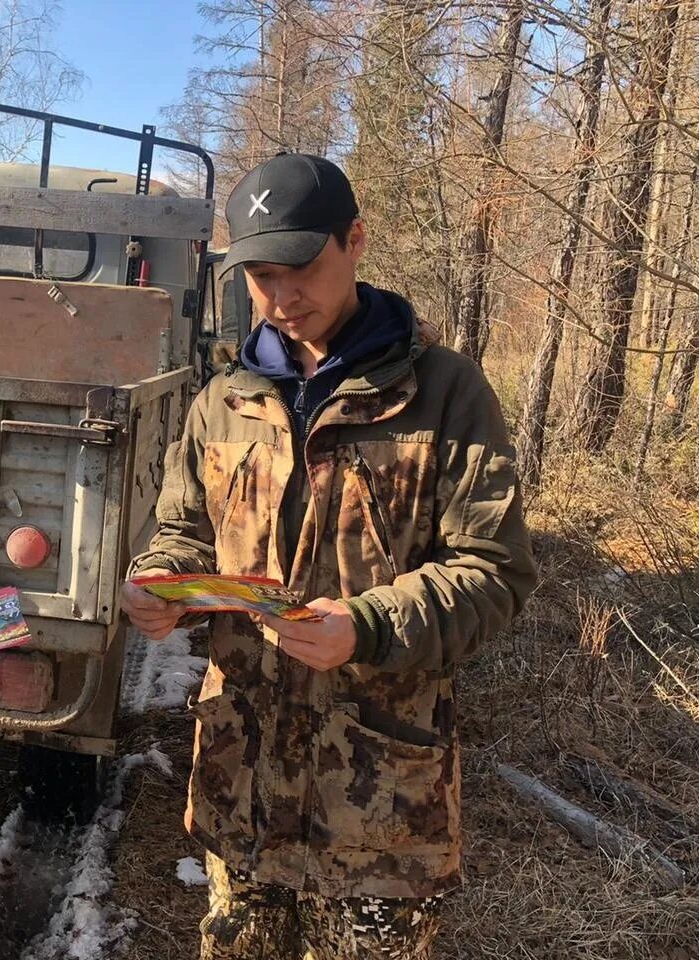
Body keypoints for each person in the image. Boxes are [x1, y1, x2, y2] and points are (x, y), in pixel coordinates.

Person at [121, 153, 537, 959]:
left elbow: (495, 571)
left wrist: (369, 626)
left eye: (303, 266)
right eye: (260, 275)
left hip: (377, 801)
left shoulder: (445, 393)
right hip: (240, 787)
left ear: (355, 241)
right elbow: (185, 532)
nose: (282, 296)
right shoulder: (225, 399)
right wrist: (160, 583)